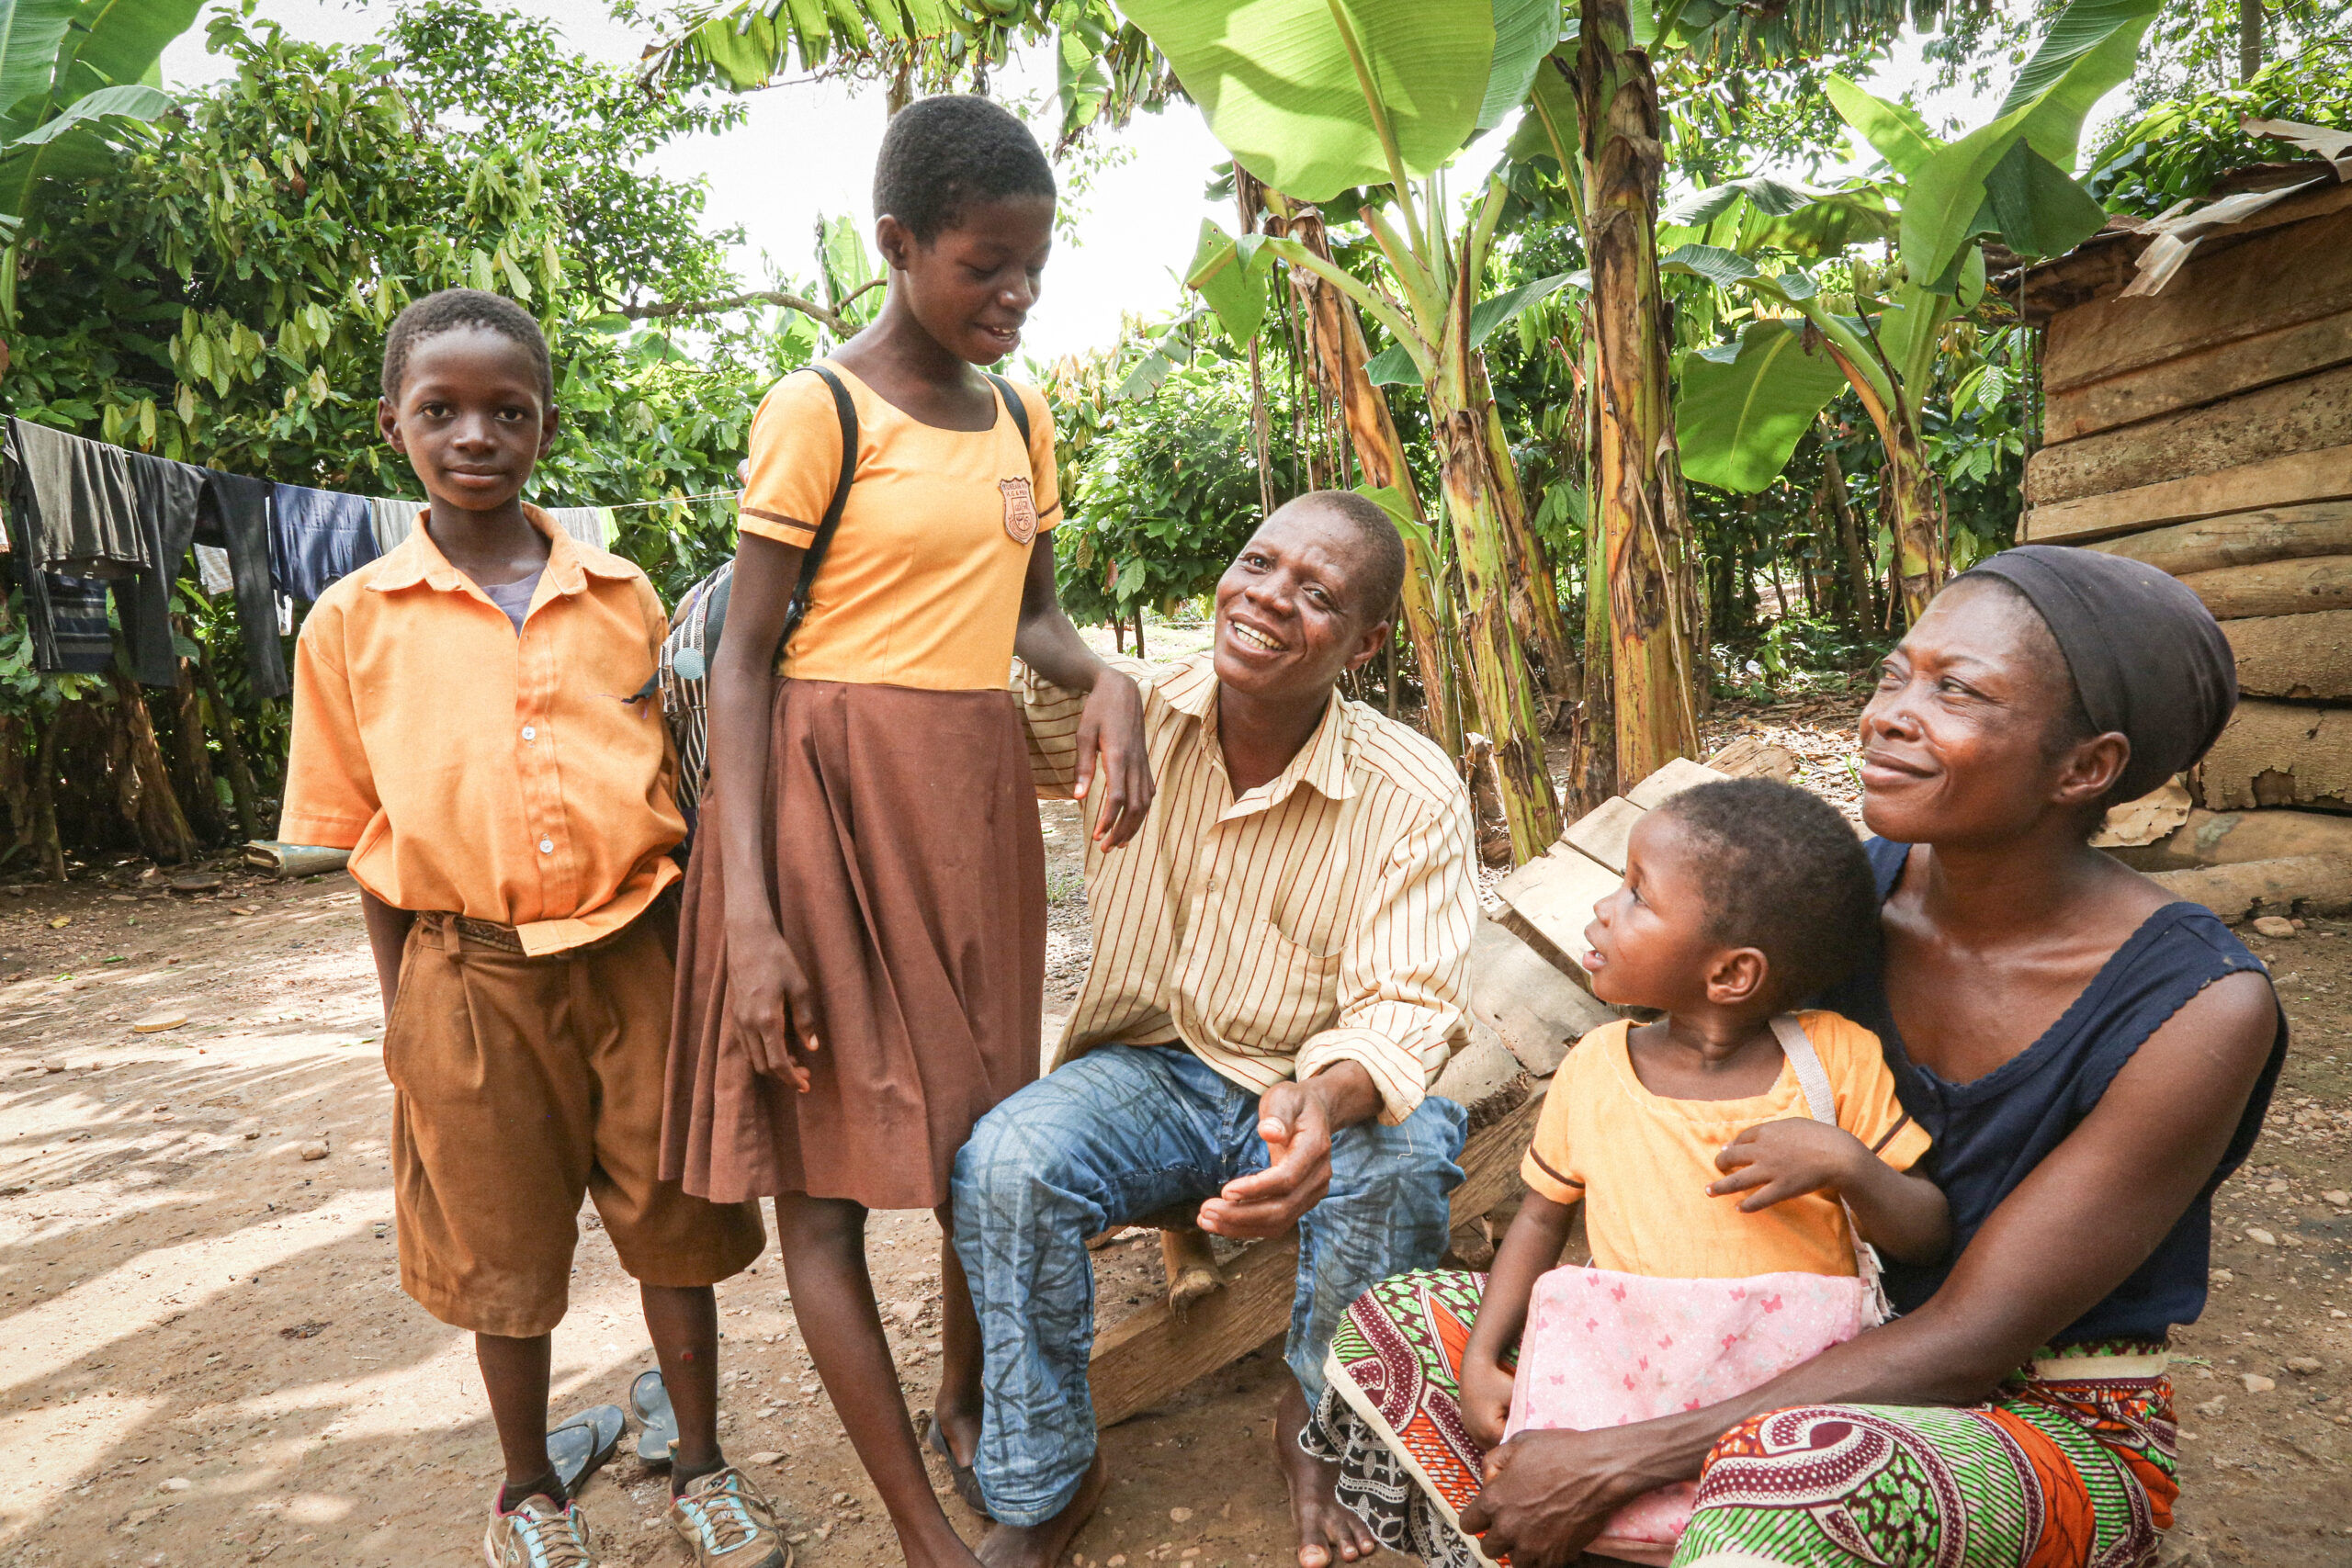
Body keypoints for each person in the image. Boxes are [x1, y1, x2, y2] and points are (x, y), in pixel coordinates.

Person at [1323, 545, 2286, 1568]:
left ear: (2085, 768)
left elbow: (1975, 1338)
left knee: (1801, 1471)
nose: (1887, 716)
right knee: (1397, 1331)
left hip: (2031, 1413)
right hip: (1781, 1349)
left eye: (1956, 691)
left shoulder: (2195, 1008)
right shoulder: (1826, 905)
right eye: (1894, 674)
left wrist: (1621, 1455)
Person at [661, 96, 1152, 1568]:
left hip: (972, 808)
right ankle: (925, 1531)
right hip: (822, 807)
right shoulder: (819, 410)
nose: (1015, 295)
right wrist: (752, 920)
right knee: (823, 1195)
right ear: (897, 243)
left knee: (982, 1149)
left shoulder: (1020, 416)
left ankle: (967, 1402)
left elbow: (1034, 620)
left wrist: (1109, 678)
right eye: (983, 266)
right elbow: (744, 662)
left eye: (1033, 270)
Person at [279, 288, 779, 1568]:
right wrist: (407, 1016)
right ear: (392, 423)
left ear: (544, 427)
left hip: (637, 953)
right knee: (497, 1247)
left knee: (675, 1222)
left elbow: (684, 787)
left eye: (507, 412)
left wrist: (701, 970)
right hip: (466, 973)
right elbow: (363, 838)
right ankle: (526, 1488)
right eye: (440, 410)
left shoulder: (622, 594)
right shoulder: (352, 621)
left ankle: (702, 1462)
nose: (475, 436)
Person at [950, 491, 1479, 1568]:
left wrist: (1321, 1100)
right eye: (1259, 563)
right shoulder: (1132, 707)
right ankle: (1048, 1480)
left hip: (1304, 1090)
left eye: (1317, 594)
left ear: (1366, 644)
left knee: (1403, 1159)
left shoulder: (1408, 789)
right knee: (1005, 1162)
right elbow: (961, 695)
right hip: (1147, 1073)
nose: (1269, 599)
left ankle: (1319, 1432)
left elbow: (1406, 1006)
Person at [1310, 778, 1951, 1566]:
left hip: (1777, 1415)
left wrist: (1848, 1164)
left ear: (1731, 975)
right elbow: (1540, 1219)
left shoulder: (1833, 1061)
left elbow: (1926, 1232)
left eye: (1638, 895)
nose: (1604, 907)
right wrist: (1481, 1357)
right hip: (1620, 1392)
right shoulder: (1595, 1066)